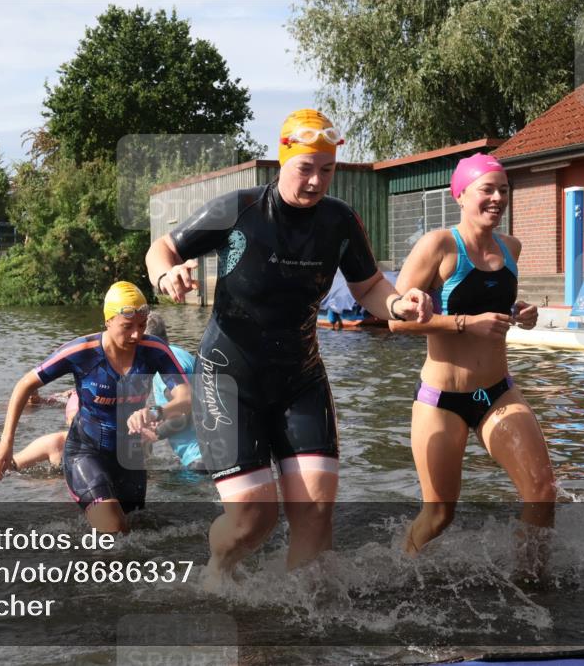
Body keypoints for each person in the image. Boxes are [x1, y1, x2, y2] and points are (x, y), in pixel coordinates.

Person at [144, 108, 433, 582]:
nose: (317, 181)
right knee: (254, 520)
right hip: (228, 378)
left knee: (317, 509)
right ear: (283, 159)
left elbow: (367, 288)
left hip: (300, 378)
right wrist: (166, 273)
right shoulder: (239, 209)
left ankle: (300, 609)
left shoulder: (339, 222)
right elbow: (164, 247)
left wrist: (398, 305)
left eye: (327, 169)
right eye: (306, 168)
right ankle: (218, 565)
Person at [390, 153, 556, 562]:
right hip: (442, 400)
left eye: (504, 190)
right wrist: (466, 323)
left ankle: (531, 582)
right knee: (440, 514)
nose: (498, 197)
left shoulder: (511, 246)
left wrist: (521, 313)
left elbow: (493, 303)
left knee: (542, 493)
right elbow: (395, 322)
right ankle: (400, 572)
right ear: (461, 195)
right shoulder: (439, 245)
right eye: (488, 189)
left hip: (497, 394)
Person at [0, 282, 192, 533]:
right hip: (86, 452)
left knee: (137, 531)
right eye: (127, 327)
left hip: (130, 455)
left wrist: (157, 411)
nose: (136, 335)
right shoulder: (81, 351)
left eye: (141, 326)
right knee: (115, 529)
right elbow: (24, 385)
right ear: (108, 321)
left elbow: (188, 397)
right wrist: (6, 442)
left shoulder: (154, 350)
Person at [141, 312, 204, 471]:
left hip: (199, 460)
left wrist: (151, 435)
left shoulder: (168, 372)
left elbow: (184, 413)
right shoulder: (177, 355)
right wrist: (152, 415)